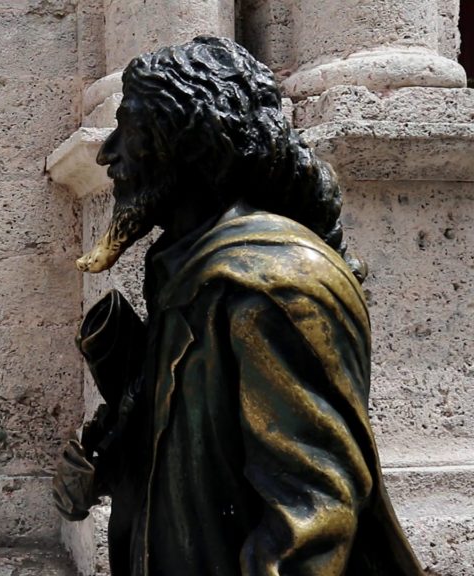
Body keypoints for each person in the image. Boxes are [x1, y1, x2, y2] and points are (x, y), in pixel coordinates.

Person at [51, 37, 423, 575]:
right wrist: (107, 466)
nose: (108, 153)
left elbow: (311, 520)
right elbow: (197, 448)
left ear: (189, 141)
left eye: (128, 129)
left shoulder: (272, 287)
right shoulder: (186, 267)